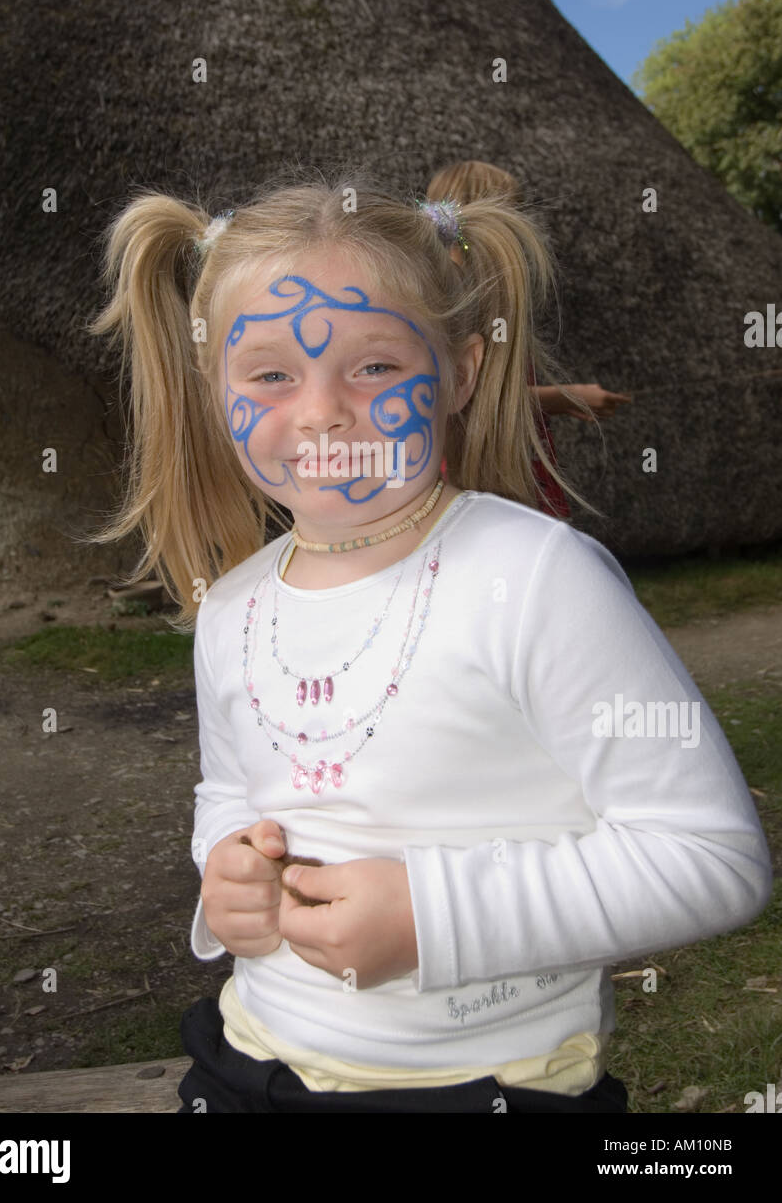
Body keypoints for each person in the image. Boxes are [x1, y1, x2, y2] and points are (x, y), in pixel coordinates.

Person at [87, 169, 771, 1114]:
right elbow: (231, 791)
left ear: (461, 371)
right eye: (271, 374)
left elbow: (711, 858)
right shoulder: (232, 606)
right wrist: (226, 871)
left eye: (372, 366)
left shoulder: (535, 580)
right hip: (248, 1058)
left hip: (481, 1087)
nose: (322, 409)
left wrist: (433, 920)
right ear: (215, 391)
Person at [427, 160, 632, 519]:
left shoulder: (454, 287)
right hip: (477, 466)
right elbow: (464, 396)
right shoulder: (459, 295)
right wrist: (569, 397)